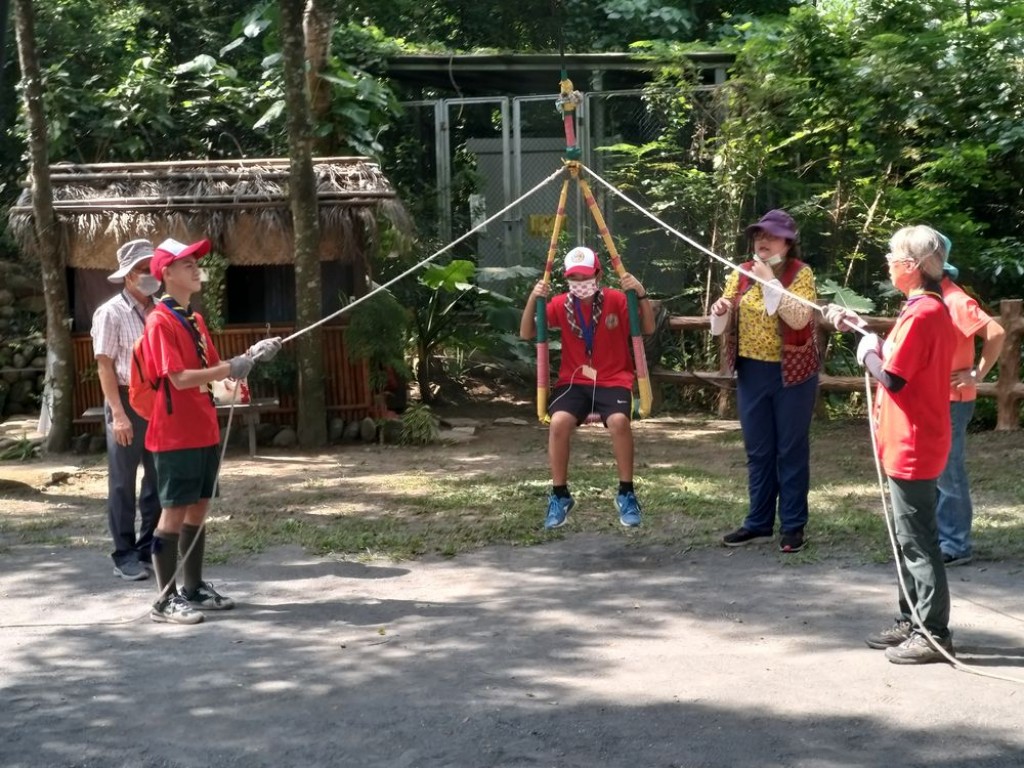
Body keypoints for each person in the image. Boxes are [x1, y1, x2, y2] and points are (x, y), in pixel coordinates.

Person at [826, 224, 957, 664]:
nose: (887, 262)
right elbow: (901, 357)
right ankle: (912, 618)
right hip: (909, 438)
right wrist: (861, 331)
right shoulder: (920, 308)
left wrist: (866, 354)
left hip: (915, 442)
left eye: (892, 255)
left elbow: (895, 377)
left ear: (913, 265)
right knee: (908, 538)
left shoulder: (923, 312)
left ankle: (934, 632)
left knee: (918, 540)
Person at [143, 237, 282, 624]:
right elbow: (180, 378)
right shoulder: (160, 321)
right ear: (166, 273)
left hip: (203, 428)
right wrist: (230, 367)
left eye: (195, 263)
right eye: (187, 264)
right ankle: (164, 597)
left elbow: (218, 375)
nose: (195, 269)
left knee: (199, 509)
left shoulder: (195, 319)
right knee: (172, 514)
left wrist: (251, 357)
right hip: (174, 433)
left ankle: (193, 587)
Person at [520, 245, 655, 530]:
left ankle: (626, 493)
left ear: (598, 274)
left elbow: (648, 327)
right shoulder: (560, 303)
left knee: (620, 421)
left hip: (614, 379)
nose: (580, 285)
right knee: (557, 423)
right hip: (574, 381)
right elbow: (526, 332)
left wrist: (640, 293)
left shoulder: (617, 299)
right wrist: (534, 298)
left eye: (585, 278)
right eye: (574, 279)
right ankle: (559, 495)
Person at [710, 209, 819, 554]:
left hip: (793, 374)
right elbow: (727, 312)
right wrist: (720, 310)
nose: (763, 241)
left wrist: (770, 282)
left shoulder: (801, 274)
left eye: (771, 236)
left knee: (790, 449)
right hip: (752, 372)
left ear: (789, 242)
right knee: (758, 451)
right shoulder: (742, 273)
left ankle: (792, 526)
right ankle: (758, 523)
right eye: (759, 235)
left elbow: (799, 316)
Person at [90, 239, 163, 581]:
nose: (150, 275)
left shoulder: (160, 309)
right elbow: (104, 366)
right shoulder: (110, 312)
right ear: (128, 276)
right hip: (124, 397)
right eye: (143, 269)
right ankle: (124, 553)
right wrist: (117, 414)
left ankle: (149, 546)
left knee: (158, 475)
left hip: (158, 398)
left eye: (153, 268)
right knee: (123, 480)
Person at [935, 244, 1005, 567]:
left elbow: (996, 332)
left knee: (949, 471)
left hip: (954, 401)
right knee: (937, 470)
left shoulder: (955, 299)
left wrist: (976, 373)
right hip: (936, 399)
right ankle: (942, 536)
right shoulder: (935, 298)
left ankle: (956, 543)